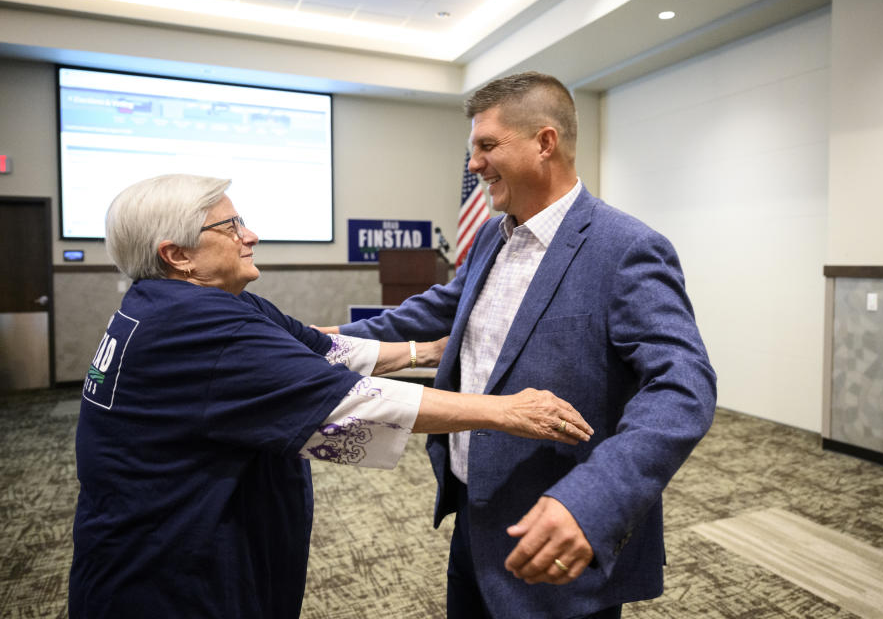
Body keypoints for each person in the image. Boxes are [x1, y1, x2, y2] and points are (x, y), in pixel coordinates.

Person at [68, 173, 593, 619]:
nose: (250, 235)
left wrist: (426, 352)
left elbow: (323, 350)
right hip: (170, 573)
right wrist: (506, 412)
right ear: (177, 254)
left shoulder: (190, 302)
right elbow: (352, 402)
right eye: (229, 227)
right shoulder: (196, 322)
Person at [326, 72, 717, 618]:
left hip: (559, 531)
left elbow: (683, 387)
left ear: (545, 143)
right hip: (474, 514)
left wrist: (593, 501)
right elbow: (441, 307)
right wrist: (334, 339)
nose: (473, 165)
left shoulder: (627, 247)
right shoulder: (494, 232)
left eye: (487, 146)